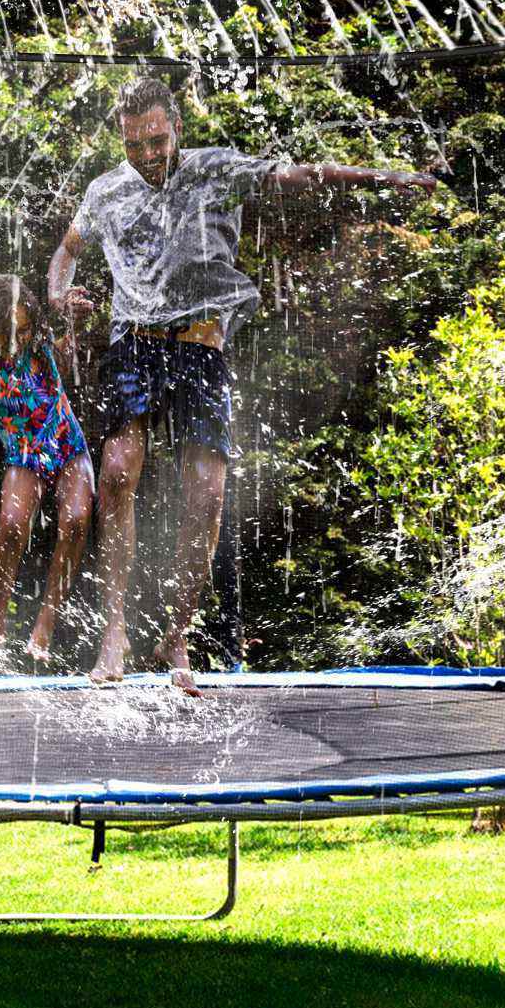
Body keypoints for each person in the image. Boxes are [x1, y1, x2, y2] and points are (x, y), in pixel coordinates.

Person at [48, 76, 438, 694]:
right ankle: (114, 632)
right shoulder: (106, 192)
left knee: (206, 497)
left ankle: (177, 635)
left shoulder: (214, 170)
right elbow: (65, 252)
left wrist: (378, 177)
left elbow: (299, 176)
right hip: (134, 345)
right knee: (119, 472)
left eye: (156, 140)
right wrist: (58, 294)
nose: (148, 155)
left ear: (176, 128)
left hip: (201, 352)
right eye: (134, 145)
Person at [0, 273, 95, 664]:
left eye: (24, 328)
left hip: (67, 444)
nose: (17, 339)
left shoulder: (40, 345)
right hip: (23, 455)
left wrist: (73, 324)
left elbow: (65, 363)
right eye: (9, 332)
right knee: (12, 525)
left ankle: (44, 629)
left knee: (77, 521)